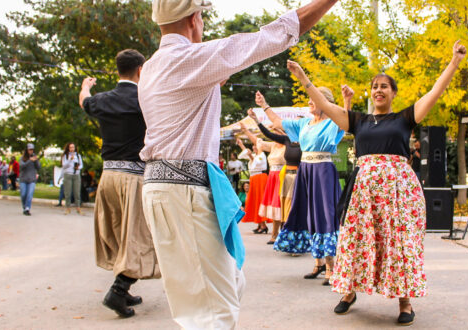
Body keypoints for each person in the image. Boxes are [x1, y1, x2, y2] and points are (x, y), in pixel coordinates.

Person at [137, 0, 339, 327]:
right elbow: (275, 34)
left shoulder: (152, 68)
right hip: (184, 192)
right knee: (213, 313)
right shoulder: (189, 58)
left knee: (223, 286)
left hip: (162, 189)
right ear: (194, 19)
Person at [286, 40, 467, 325]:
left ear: (393, 93)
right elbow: (323, 104)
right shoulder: (358, 121)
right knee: (356, 240)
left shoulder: (405, 118)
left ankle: (405, 302)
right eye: (375, 86)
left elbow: (435, 92)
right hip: (364, 193)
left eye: (384, 86)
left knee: (399, 243)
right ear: (371, 94)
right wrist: (303, 77)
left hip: (399, 193)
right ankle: (348, 293)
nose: (378, 90)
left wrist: (454, 62)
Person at [79, 49, 160, 318]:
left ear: (118, 70)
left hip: (108, 179)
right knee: (138, 235)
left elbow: (84, 102)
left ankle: (123, 290)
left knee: (118, 233)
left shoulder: (102, 100)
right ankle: (118, 290)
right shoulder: (146, 99)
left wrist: (85, 86)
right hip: (134, 178)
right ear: (140, 70)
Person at [264, 85, 345, 286]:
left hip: (323, 170)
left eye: (313, 99)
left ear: (324, 102)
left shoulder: (333, 122)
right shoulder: (305, 124)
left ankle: (331, 267)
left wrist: (347, 100)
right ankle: (317, 264)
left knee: (325, 214)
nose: (309, 102)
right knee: (308, 213)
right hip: (306, 170)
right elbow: (278, 123)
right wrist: (264, 106)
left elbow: (346, 119)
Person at [248, 97, 302, 244]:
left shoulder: (306, 140)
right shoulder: (286, 140)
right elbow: (269, 134)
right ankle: (285, 238)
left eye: (298, 123)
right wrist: (257, 121)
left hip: (300, 178)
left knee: (295, 209)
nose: (294, 125)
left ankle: (298, 239)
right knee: (284, 208)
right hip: (286, 178)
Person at [236, 131, 270, 234]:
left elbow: (256, 163)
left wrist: (251, 155)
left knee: (260, 200)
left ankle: (263, 225)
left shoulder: (262, 155)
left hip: (260, 178)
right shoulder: (256, 155)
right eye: (253, 146)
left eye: (256, 146)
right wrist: (241, 144)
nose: (254, 147)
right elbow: (245, 155)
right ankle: (260, 224)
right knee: (255, 201)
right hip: (254, 178)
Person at [61, 142, 84, 215]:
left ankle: (78, 208)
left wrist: (78, 168)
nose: (72, 149)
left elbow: (81, 165)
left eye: (73, 147)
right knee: (67, 193)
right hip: (68, 175)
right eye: (70, 147)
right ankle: (68, 208)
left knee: (77, 192)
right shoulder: (65, 156)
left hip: (76, 175)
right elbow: (64, 166)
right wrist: (70, 159)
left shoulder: (78, 155)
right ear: (68, 148)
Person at [19, 144, 40, 216]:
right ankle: (24, 207)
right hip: (23, 179)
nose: (31, 151)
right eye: (29, 149)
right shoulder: (22, 158)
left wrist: (36, 160)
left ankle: (27, 208)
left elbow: (38, 167)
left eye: (32, 149)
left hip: (32, 179)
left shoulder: (34, 158)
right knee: (23, 194)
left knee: (30, 194)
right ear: (27, 150)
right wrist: (29, 160)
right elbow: (22, 166)